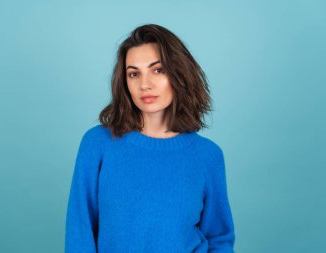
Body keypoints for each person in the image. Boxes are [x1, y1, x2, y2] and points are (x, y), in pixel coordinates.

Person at [65, 23, 235, 253]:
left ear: (179, 74)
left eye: (158, 70)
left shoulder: (207, 156)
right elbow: (79, 233)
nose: (145, 84)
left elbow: (219, 239)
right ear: (125, 83)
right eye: (134, 74)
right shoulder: (98, 144)